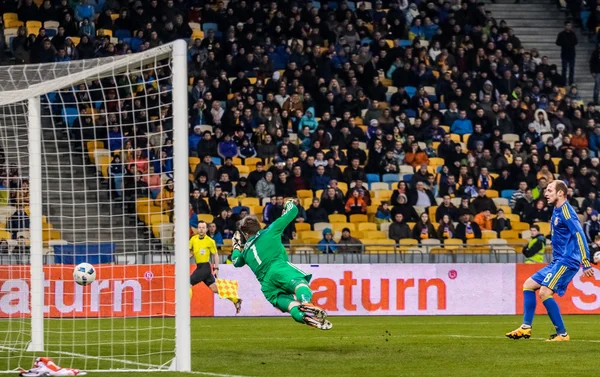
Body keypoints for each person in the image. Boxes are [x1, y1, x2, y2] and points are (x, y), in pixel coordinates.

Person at [506, 180, 593, 341]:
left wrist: (586, 262)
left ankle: (562, 334)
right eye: (546, 190)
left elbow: (579, 235)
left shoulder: (567, 211)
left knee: (545, 292)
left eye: (550, 190)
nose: (545, 193)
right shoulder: (557, 209)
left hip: (567, 260)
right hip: (557, 260)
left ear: (560, 193)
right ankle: (526, 327)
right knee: (528, 285)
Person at [231, 201, 332, 330]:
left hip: (267, 285)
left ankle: (305, 318)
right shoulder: (271, 230)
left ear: (245, 234)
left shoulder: (244, 253)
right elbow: (294, 210)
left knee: (291, 305)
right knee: (299, 283)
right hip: (278, 268)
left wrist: (236, 247)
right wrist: (288, 203)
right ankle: (306, 302)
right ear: (258, 226)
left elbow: (235, 262)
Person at [189, 221, 242, 314]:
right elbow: (191, 252)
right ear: (197, 229)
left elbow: (216, 255)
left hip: (205, 267)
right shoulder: (193, 239)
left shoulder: (210, 241)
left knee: (187, 284)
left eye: (203, 227)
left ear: (206, 229)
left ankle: (184, 310)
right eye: (199, 227)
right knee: (214, 289)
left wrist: (216, 268)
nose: (201, 229)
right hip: (199, 267)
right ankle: (235, 300)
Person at [555, 21, 578, 86]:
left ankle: (571, 81)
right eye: (567, 25)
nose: (569, 27)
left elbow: (576, 42)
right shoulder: (561, 34)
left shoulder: (573, 34)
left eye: (570, 25)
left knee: (571, 68)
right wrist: (564, 43)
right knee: (564, 68)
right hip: (564, 53)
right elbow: (557, 42)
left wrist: (571, 43)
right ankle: (563, 82)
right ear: (565, 26)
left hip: (572, 53)